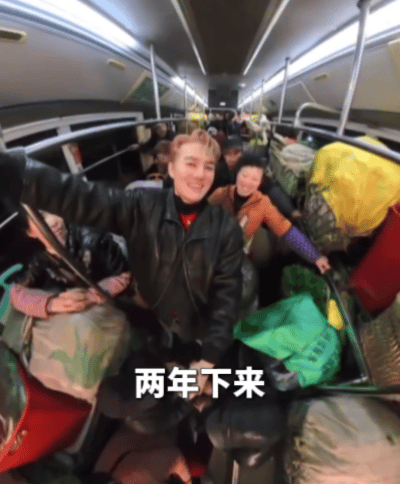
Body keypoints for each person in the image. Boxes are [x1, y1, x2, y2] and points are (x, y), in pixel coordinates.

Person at [0, 129, 244, 397]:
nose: (200, 174)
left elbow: (227, 298)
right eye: (191, 163)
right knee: (150, 364)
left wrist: (207, 361)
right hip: (152, 310)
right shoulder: (140, 206)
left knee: (214, 381)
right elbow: (83, 196)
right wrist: (17, 171)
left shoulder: (227, 229)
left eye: (208, 167)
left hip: (198, 321)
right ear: (171, 168)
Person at [209, 153, 331, 274]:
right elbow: (202, 215)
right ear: (237, 174)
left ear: (260, 182)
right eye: (244, 175)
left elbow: (286, 230)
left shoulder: (263, 203)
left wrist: (315, 257)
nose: (247, 182)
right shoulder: (221, 194)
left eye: (255, 179)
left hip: (240, 249)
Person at [10, 211, 132, 318]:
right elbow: (16, 292)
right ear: (30, 232)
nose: (53, 221)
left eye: (54, 210)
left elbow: (124, 274)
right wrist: (51, 304)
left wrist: (88, 296)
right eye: (41, 218)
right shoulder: (39, 258)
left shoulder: (91, 237)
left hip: (117, 301)